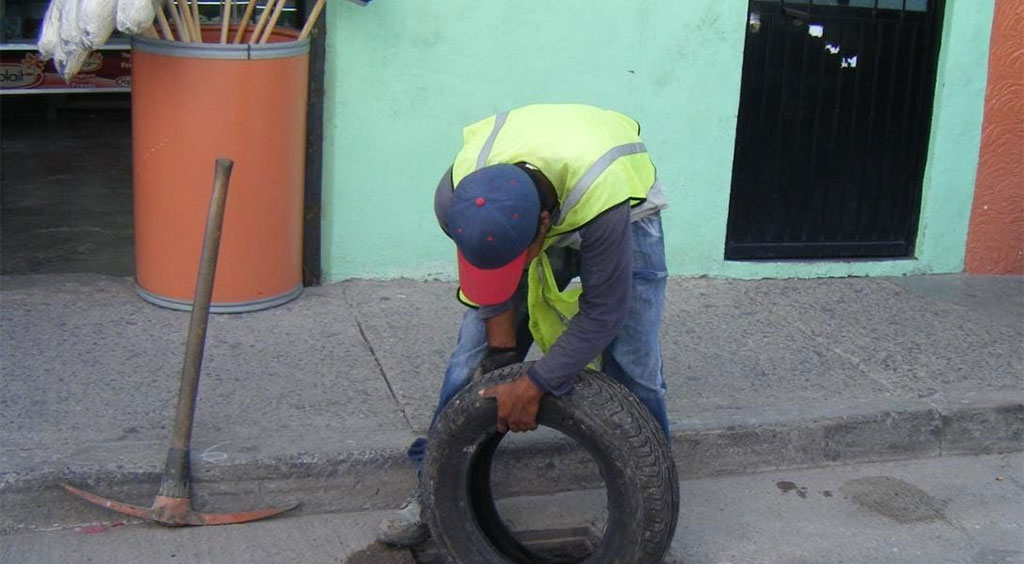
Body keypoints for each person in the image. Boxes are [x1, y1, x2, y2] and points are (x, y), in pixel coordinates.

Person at [378, 103, 670, 547]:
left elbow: (605, 310)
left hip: (624, 215)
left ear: (544, 227)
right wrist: (502, 357)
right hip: (524, 210)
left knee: (635, 366)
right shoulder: (458, 197)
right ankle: (432, 492)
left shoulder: (602, 190)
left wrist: (535, 384)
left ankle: (649, 507)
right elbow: (487, 285)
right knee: (468, 361)